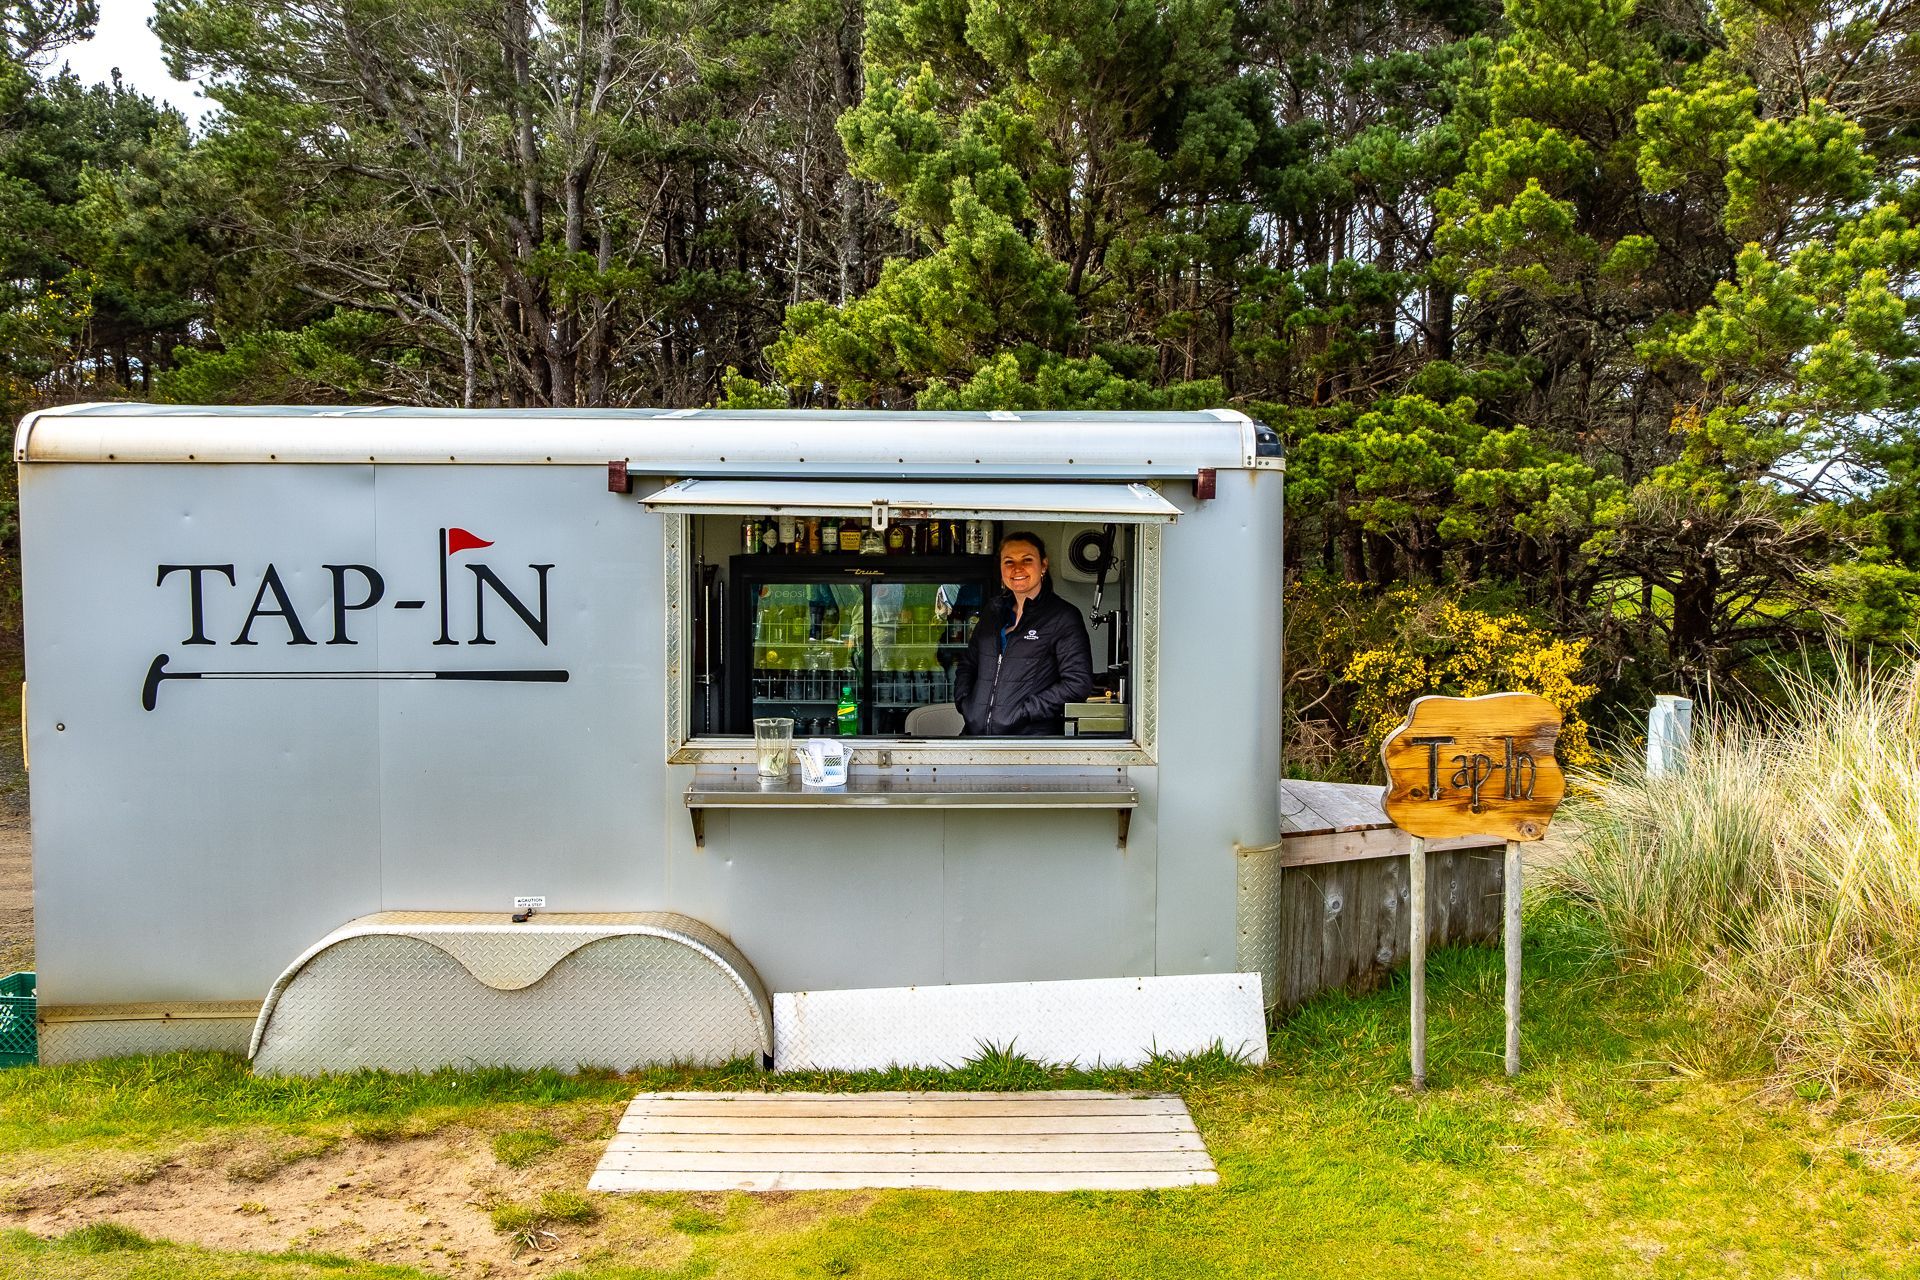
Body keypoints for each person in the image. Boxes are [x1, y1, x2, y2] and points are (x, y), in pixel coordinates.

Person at [954, 531, 1093, 735]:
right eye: (1009, 561)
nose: (1017, 568)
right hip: (976, 737)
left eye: (1027, 560)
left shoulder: (1062, 616)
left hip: (1030, 741)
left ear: (1043, 565)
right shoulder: (993, 611)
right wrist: (966, 703)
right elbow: (968, 664)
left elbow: (1077, 683)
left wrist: (1023, 713)